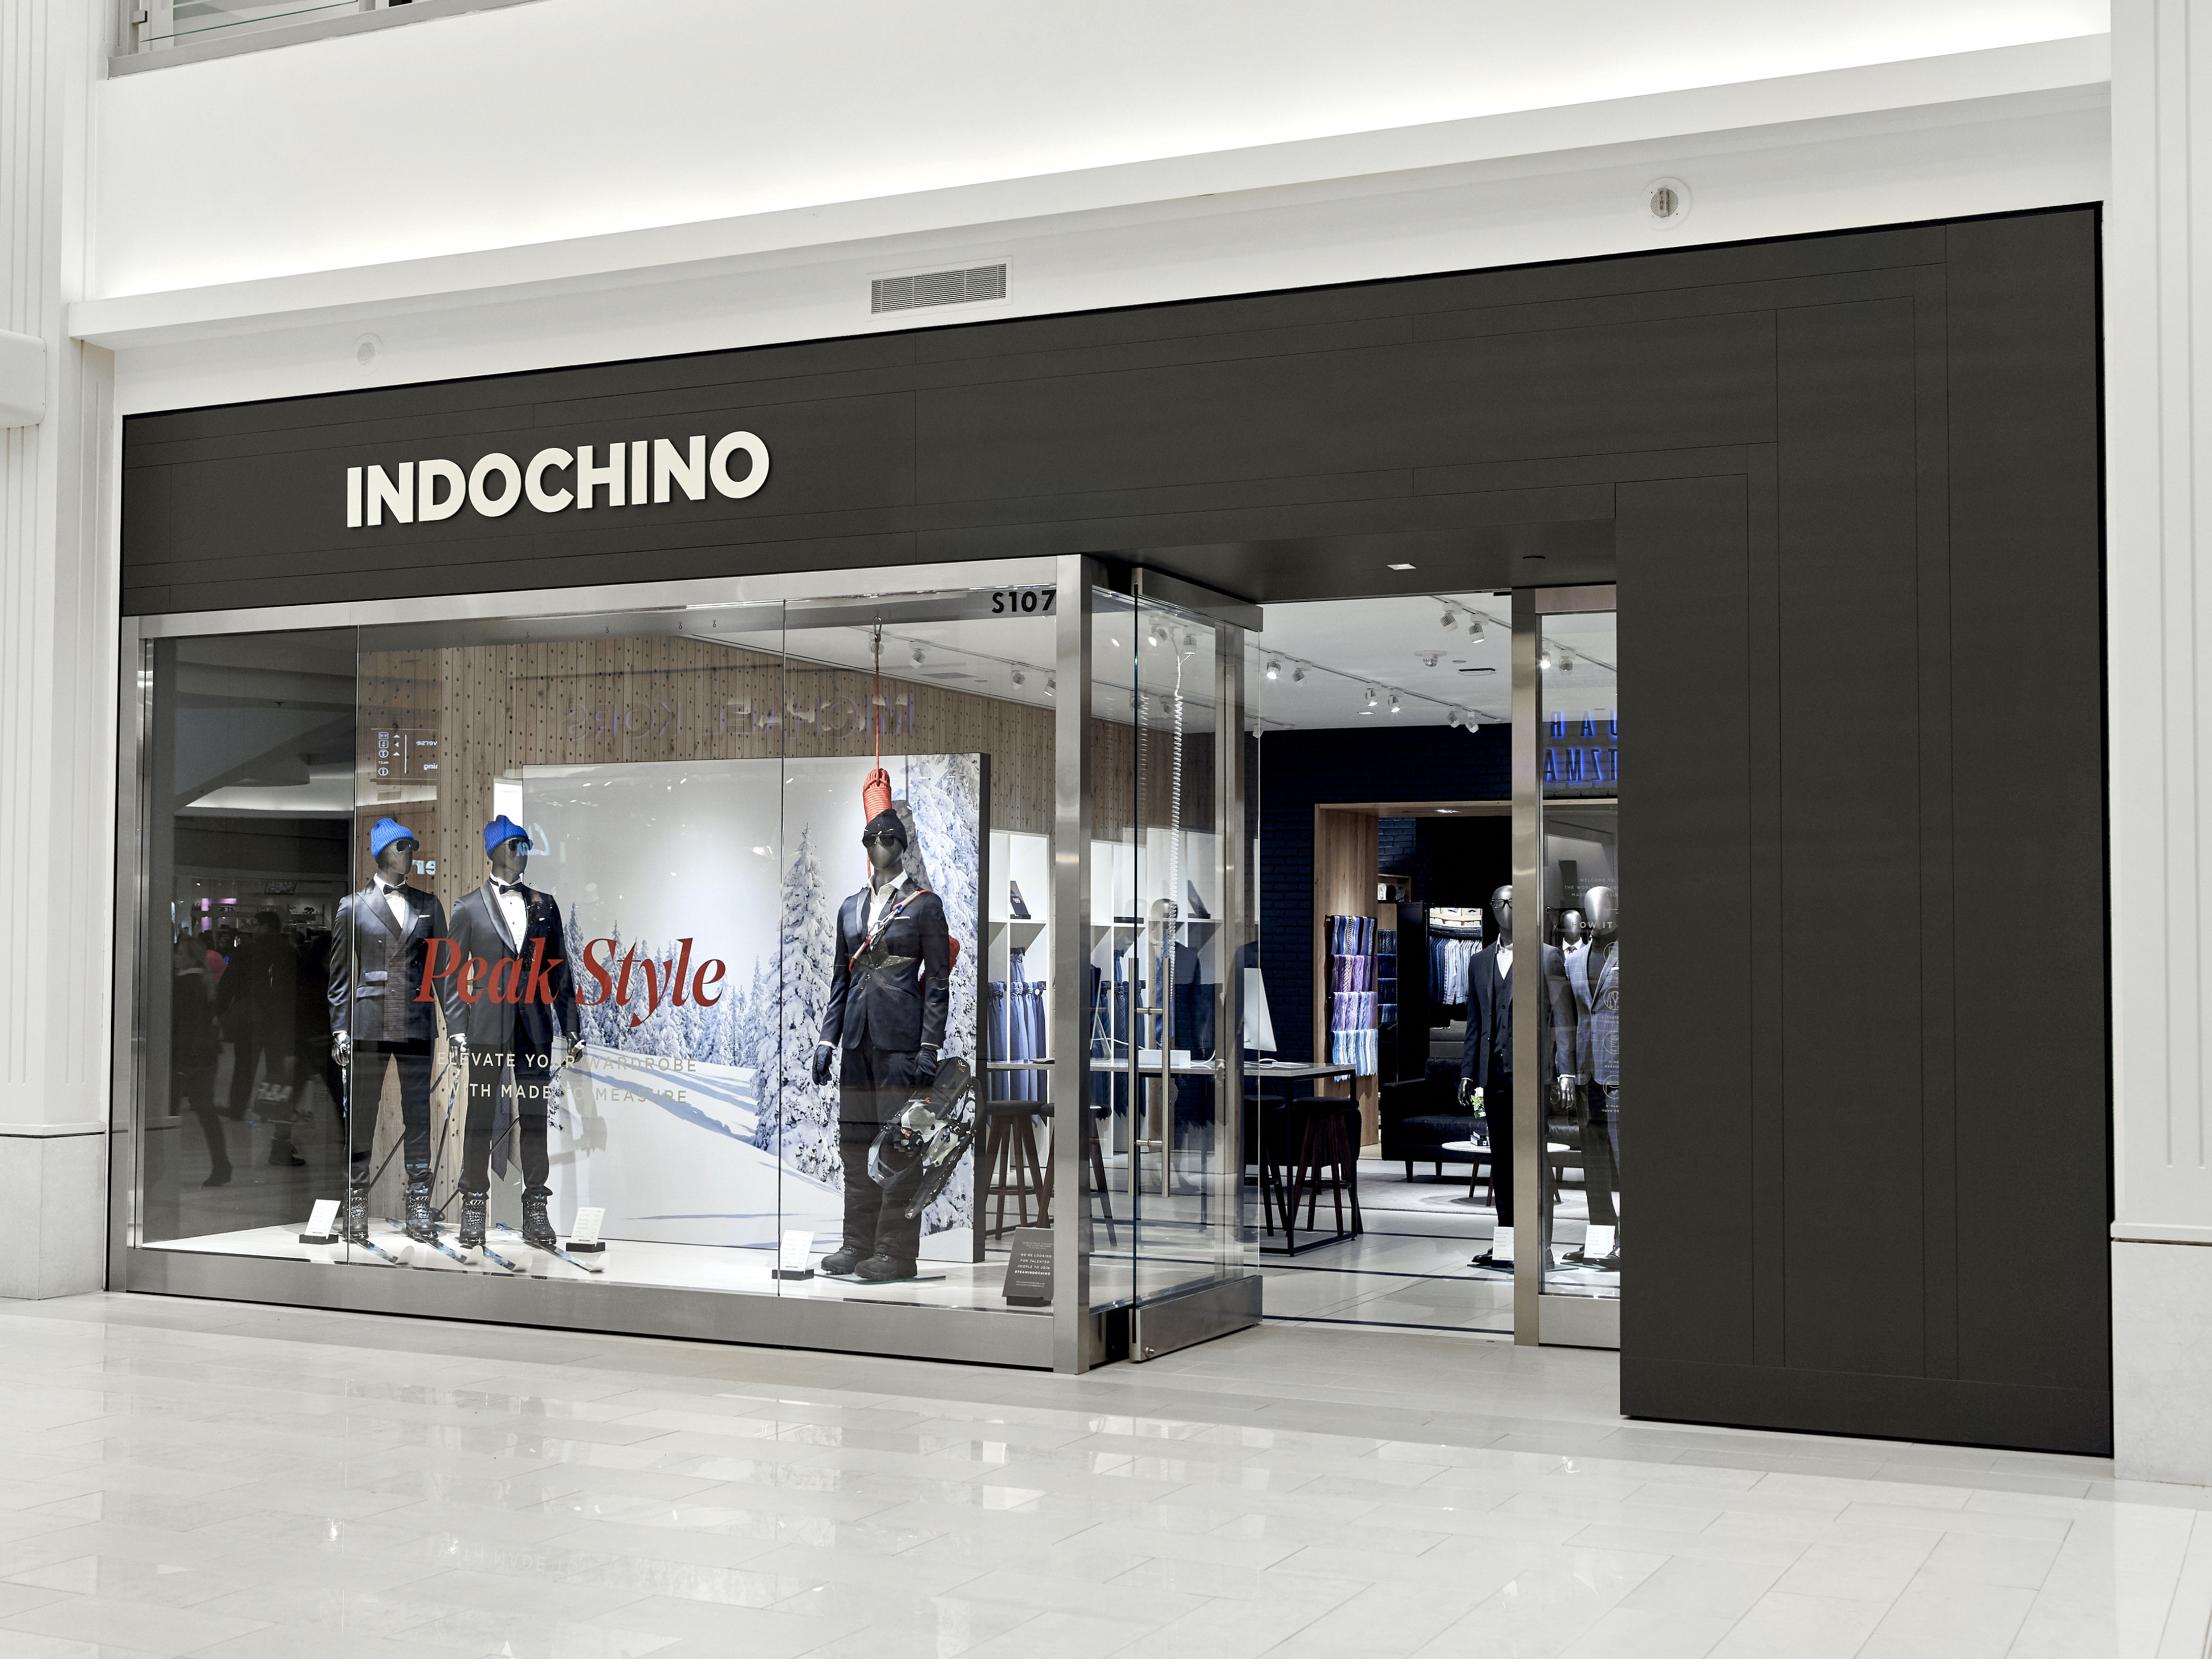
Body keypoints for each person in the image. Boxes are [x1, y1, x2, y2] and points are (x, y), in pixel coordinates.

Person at [811, 809, 951, 1281]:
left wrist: (929, 1044)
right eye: (871, 837)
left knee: (899, 1145)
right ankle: (857, 1243)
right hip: (856, 1042)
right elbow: (841, 978)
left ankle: (895, 1251)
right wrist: (827, 1039)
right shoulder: (850, 907)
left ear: (902, 844)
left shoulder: (924, 906)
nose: (878, 844)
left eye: (888, 837)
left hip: (901, 1045)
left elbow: (938, 980)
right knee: (854, 1146)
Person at [173, 937, 228, 1187]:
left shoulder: (179, 985)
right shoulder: (208, 985)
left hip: (183, 1055)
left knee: (169, 1113)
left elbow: (175, 1024)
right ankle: (221, 1164)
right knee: (207, 1113)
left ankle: (161, 1168)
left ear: (191, 958)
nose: (175, 957)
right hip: (206, 1055)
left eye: (179, 953)